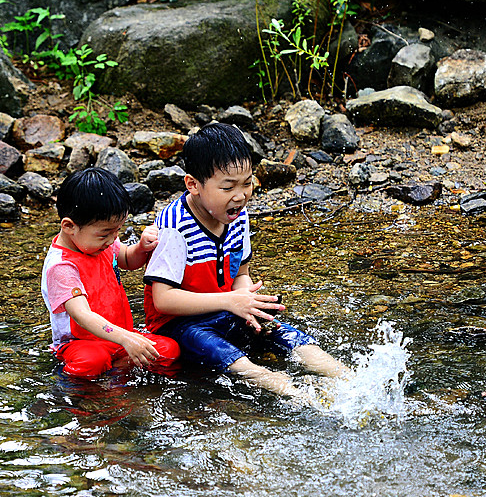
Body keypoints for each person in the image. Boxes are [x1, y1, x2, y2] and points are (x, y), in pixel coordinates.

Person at [143, 123, 350, 397]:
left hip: (226, 309)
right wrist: (230, 301)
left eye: (247, 183)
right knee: (223, 352)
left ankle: (348, 377)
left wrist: (246, 302)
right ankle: (292, 392)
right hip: (178, 324)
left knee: (281, 331)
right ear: (193, 184)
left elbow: (241, 273)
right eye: (228, 187)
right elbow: (163, 300)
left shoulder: (236, 215)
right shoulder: (174, 227)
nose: (240, 196)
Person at [41, 167, 180, 378]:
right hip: (82, 343)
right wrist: (125, 338)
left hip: (119, 336)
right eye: (106, 233)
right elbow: (82, 315)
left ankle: (116, 372)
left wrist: (142, 248)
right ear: (69, 226)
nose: (113, 239)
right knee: (91, 362)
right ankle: (87, 393)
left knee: (169, 350)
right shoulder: (61, 267)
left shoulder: (101, 242)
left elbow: (125, 258)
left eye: (118, 231)